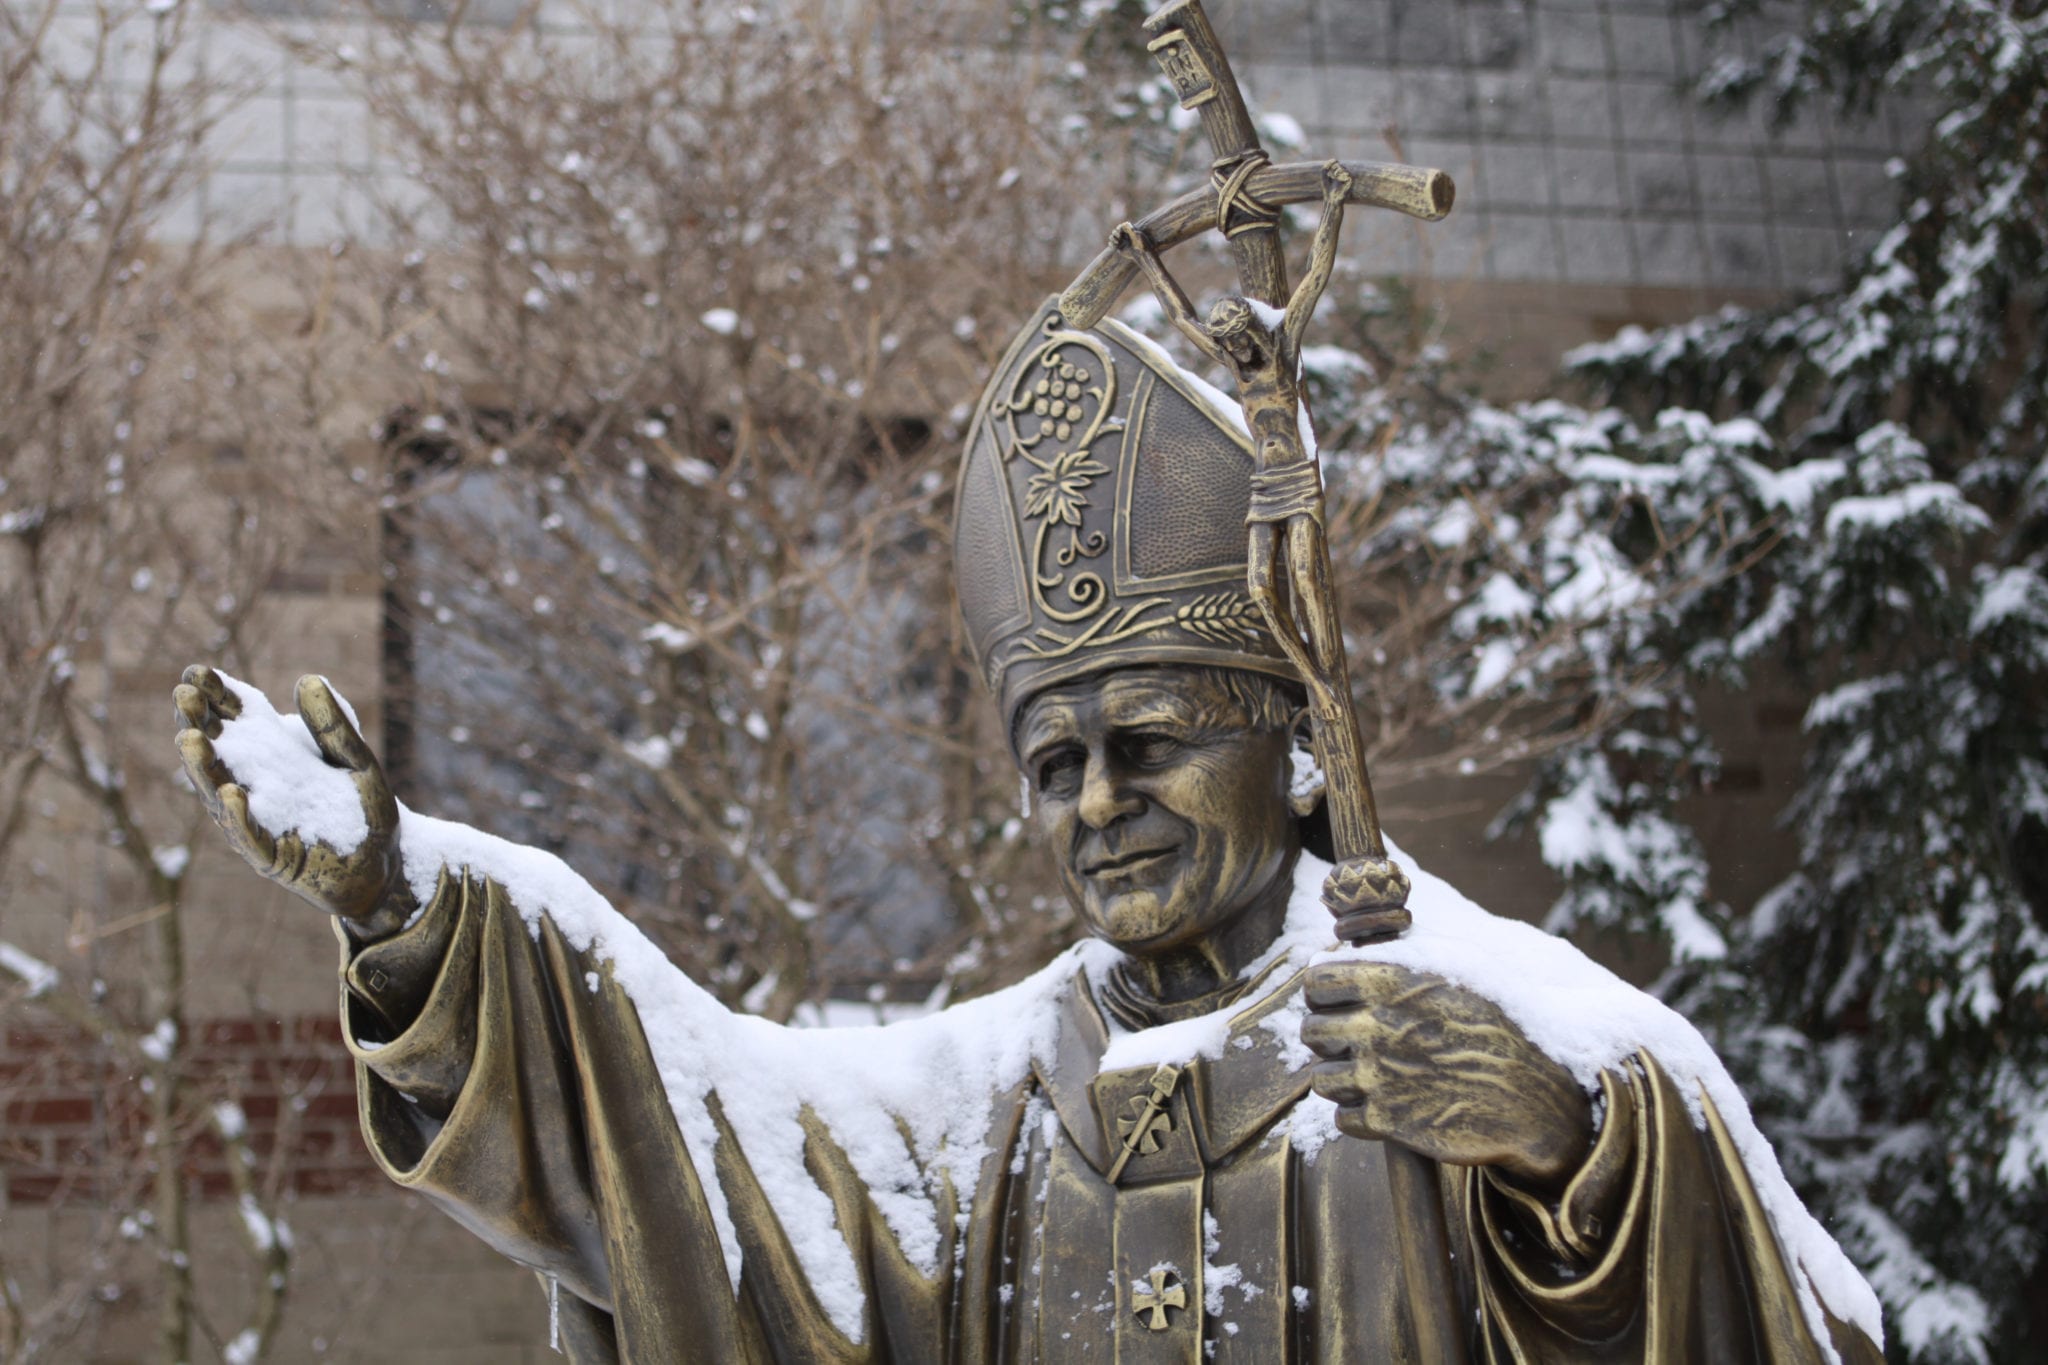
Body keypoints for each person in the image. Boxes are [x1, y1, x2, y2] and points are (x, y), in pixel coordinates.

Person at [174, 304, 1883, 1362]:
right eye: (1053, 762)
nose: (1097, 803)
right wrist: (413, 908)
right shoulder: (984, 1107)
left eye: (1149, 743)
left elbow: (1802, 1323)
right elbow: (699, 1157)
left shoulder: (1503, 1026)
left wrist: (1572, 1146)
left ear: (1289, 744)